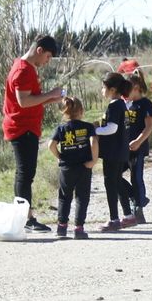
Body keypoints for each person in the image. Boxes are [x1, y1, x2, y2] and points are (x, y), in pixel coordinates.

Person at [1, 34, 65, 233]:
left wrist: (50, 99)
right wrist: (51, 94)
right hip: (22, 128)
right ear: (39, 50)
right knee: (25, 174)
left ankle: (24, 217)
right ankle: (26, 218)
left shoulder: (25, 67)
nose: (47, 62)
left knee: (25, 173)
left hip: (25, 126)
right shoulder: (23, 70)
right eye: (47, 57)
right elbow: (24, 102)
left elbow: (32, 99)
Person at [48, 95, 96, 240]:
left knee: (64, 197)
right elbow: (94, 142)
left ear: (65, 112)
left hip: (66, 168)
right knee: (82, 197)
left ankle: (62, 227)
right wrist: (93, 160)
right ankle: (79, 229)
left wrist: (60, 157)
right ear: (81, 110)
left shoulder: (61, 128)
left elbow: (51, 145)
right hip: (84, 167)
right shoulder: (88, 127)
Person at [94, 73, 132, 232]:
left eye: (104, 87)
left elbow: (112, 128)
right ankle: (129, 216)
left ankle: (114, 219)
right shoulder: (121, 104)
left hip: (112, 152)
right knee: (117, 182)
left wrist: (95, 130)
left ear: (112, 89)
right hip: (120, 150)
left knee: (110, 184)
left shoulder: (114, 105)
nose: (102, 90)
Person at [123, 69, 152, 219]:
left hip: (138, 148)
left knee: (136, 177)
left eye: (126, 90)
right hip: (123, 148)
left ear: (136, 88)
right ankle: (137, 198)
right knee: (114, 176)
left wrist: (138, 141)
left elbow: (149, 126)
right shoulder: (124, 104)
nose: (123, 93)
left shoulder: (146, 104)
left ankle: (138, 208)